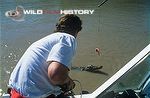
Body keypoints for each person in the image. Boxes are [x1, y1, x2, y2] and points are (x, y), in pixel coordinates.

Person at [8, 14, 82, 98]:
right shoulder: (68, 38)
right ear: (77, 31)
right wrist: (69, 82)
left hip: (15, 92)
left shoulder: (47, 40)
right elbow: (56, 75)